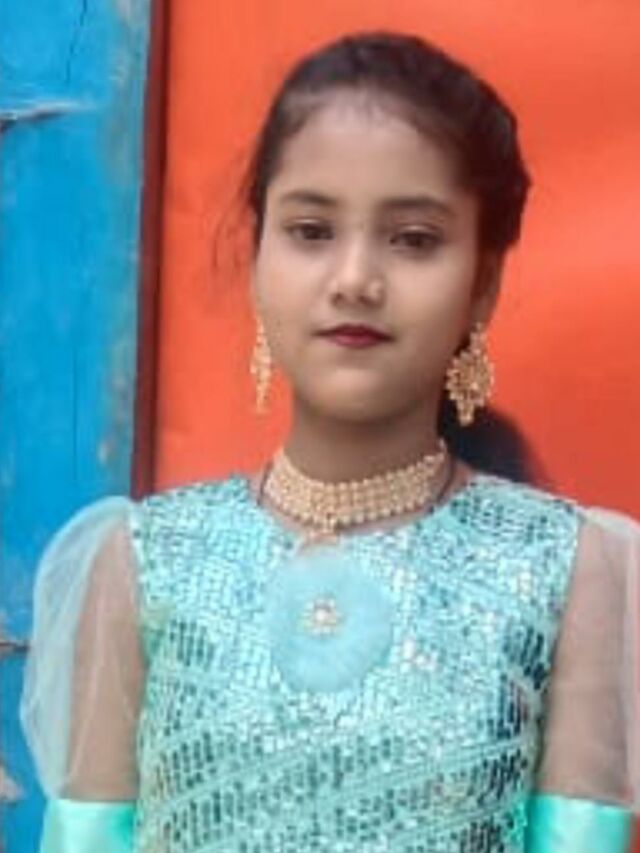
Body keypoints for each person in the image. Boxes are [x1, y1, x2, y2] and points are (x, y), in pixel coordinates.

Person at [21, 31, 640, 853]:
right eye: (312, 230)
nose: (354, 279)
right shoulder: (142, 560)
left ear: (484, 283)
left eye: (413, 238)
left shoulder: (571, 567)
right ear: (257, 258)